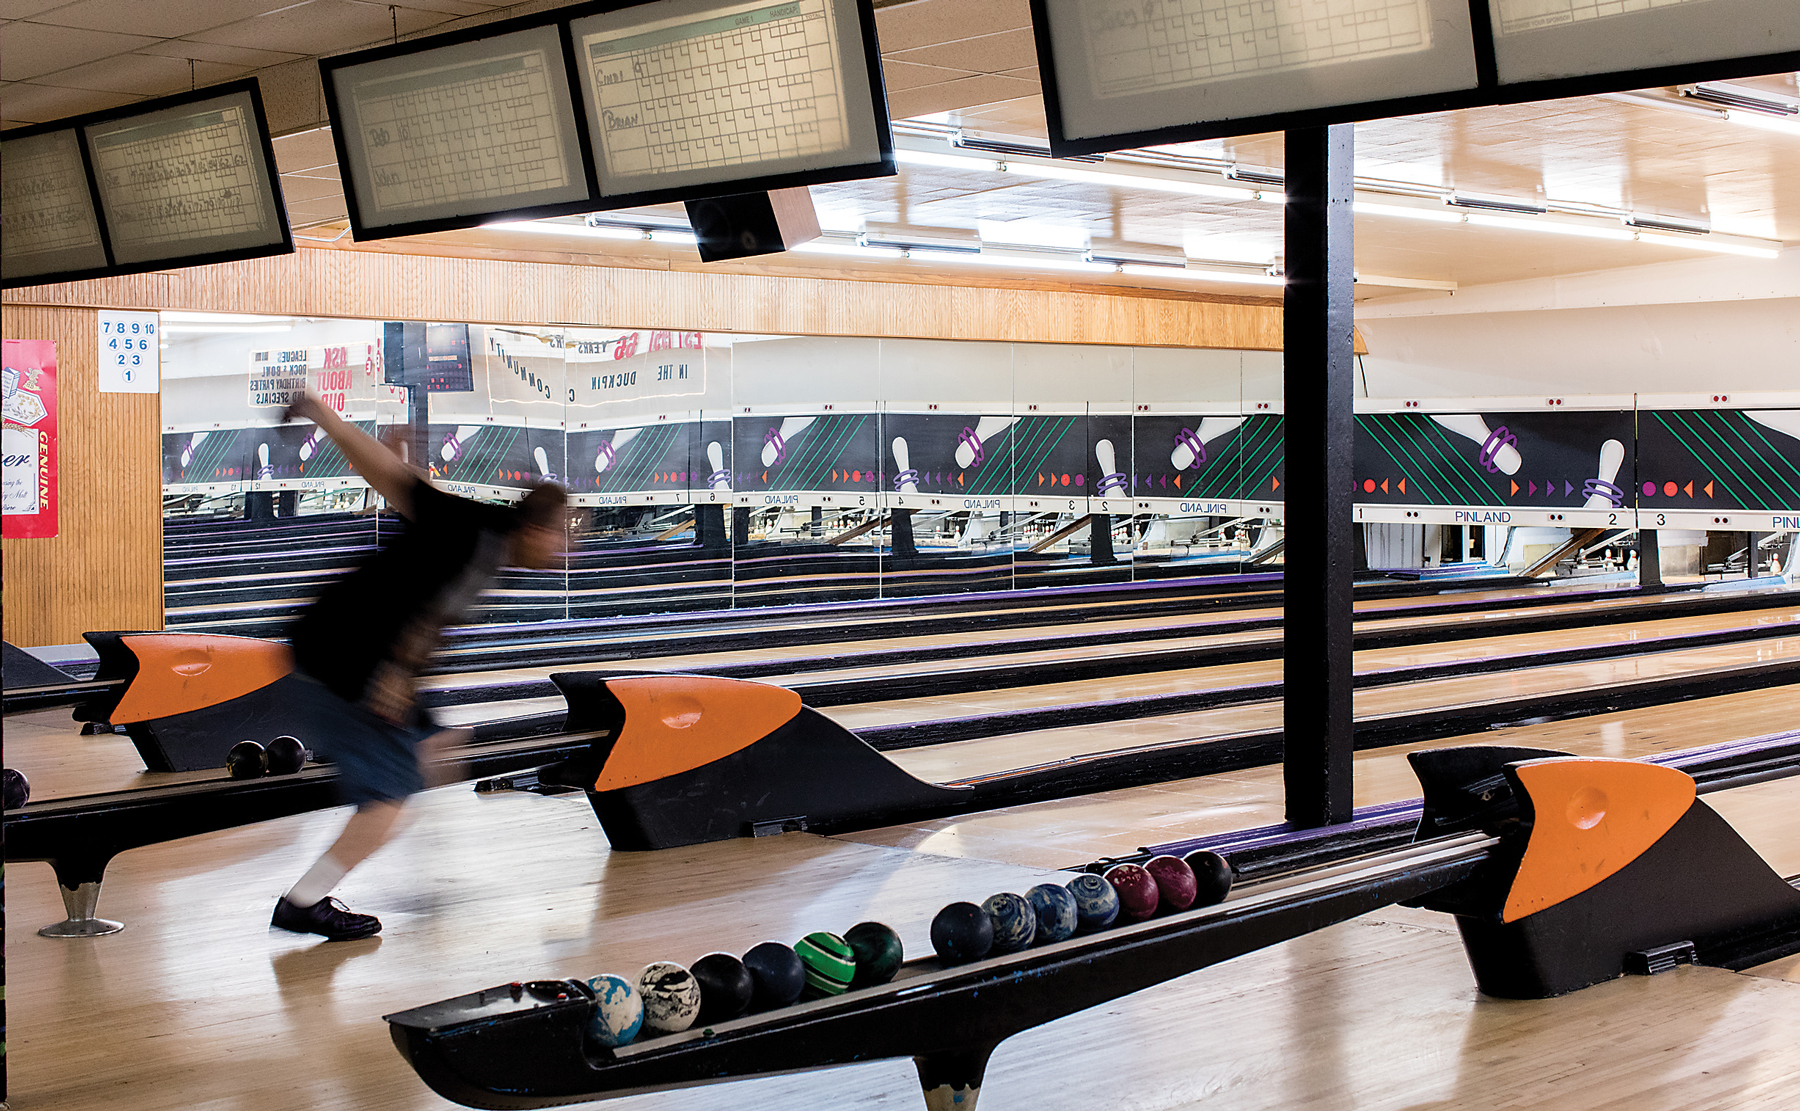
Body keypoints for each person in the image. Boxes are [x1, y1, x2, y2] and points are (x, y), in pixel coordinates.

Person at [270, 394, 567, 941]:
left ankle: (324, 873)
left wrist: (326, 416)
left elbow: (385, 472)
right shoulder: (483, 549)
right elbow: (425, 624)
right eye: (563, 534)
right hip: (346, 661)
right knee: (389, 805)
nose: (565, 549)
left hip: (326, 642)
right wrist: (398, 687)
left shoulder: (466, 520)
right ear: (536, 529)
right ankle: (301, 903)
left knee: (428, 753)